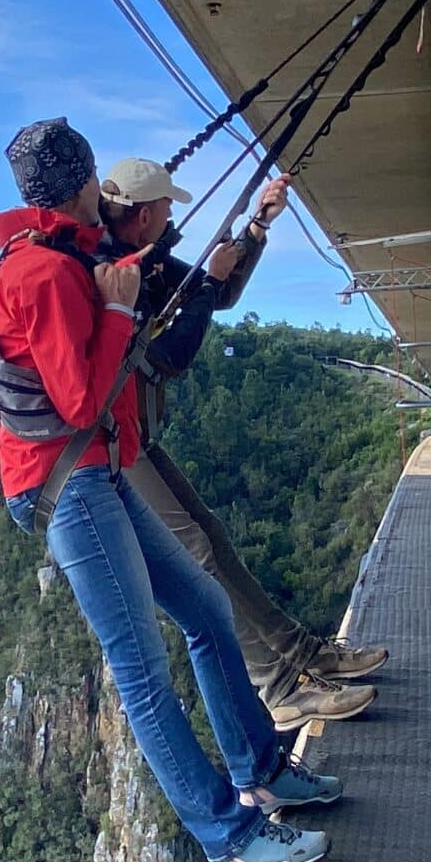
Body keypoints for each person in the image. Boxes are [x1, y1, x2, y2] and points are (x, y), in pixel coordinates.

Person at [0, 119, 335, 862]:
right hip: (67, 484)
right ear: (82, 185)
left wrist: (244, 235)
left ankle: (261, 767)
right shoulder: (43, 273)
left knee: (207, 609)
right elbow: (79, 402)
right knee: (142, 668)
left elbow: (188, 295)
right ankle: (228, 838)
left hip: (96, 471)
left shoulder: (67, 257)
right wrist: (115, 310)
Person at [92, 157, 386, 731]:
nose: (174, 214)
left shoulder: (138, 263)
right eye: (167, 208)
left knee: (212, 539)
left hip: (128, 433)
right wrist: (207, 282)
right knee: (197, 553)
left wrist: (255, 229)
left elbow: (214, 294)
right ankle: (275, 686)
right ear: (146, 213)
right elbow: (171, 352)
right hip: (105, 444)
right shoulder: (111, 273)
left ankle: (299, 653)